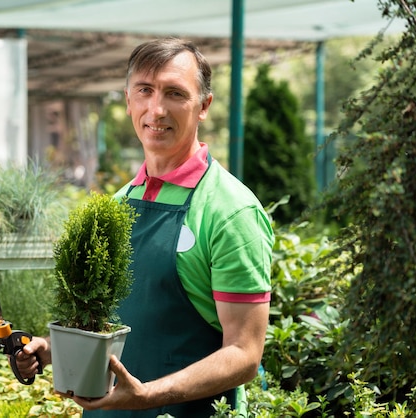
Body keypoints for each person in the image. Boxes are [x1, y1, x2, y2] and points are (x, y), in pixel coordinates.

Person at [15, 38, 274, 417]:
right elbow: (114, 322)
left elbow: (244, 354)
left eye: (175, 93)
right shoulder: (120, 203)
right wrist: (50, 350)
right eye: (145, 91)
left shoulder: (230, 211)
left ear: (203, 106)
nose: (157, 109)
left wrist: (148, 395)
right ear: (128, 101)